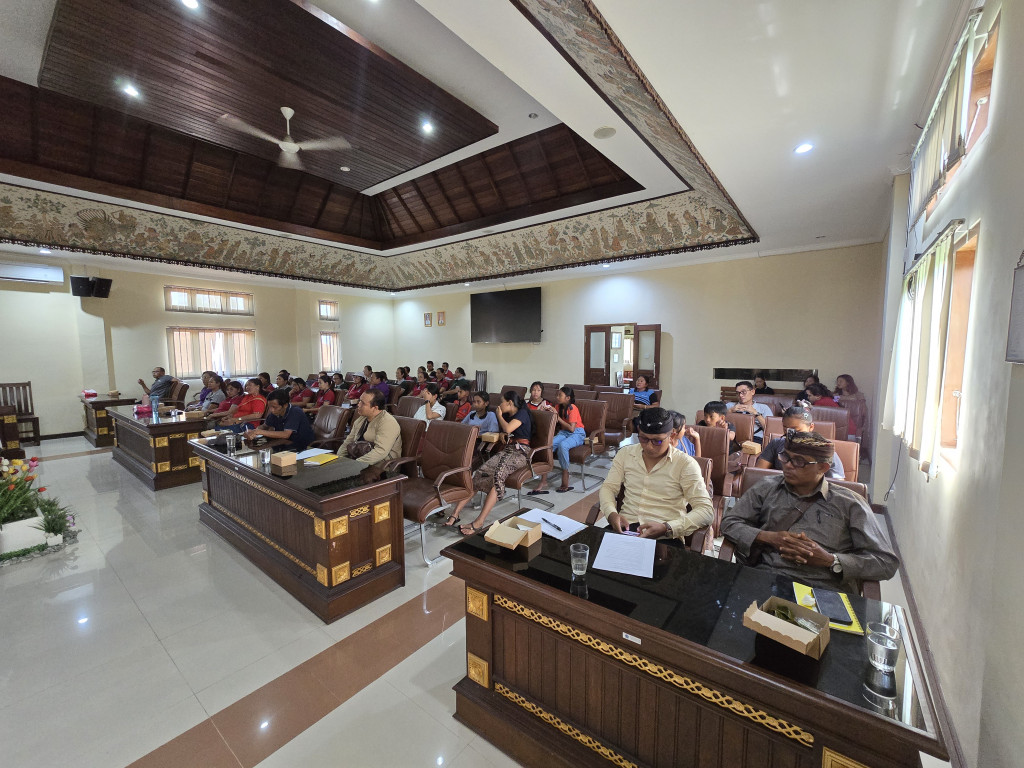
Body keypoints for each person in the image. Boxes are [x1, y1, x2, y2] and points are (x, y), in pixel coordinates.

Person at [721, 431, 898, 594]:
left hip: (824, 589)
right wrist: (769, 537)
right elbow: (729, 523)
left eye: (799, 461)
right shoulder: (767, 487)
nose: (788, 466)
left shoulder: (850, 503)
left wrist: (831, 560)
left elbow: (885, 563)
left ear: (822, 468)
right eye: (785, 457)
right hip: (767, 578)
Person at [600, 408, 714, 540]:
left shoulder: (685, 464)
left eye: (657, 441)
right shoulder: (626, 454)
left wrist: (668, 527)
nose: (649, 446)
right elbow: (608, 487)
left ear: (671, 436)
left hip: (665, 536)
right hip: (627, 528)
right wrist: (611, 513)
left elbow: (706, 511)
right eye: (643, 439)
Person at [450, 392, 533, 534]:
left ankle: (479, 522)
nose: (499, 405)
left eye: (502, 402)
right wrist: (502, 433)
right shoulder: (508, 415)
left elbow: (508, 428)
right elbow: (503, 431)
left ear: (510, 403)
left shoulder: (522, 413)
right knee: (479, 473)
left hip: (521, 453)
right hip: (507, 450)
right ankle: (455, 514)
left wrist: (500, 417)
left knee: (497, 477)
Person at [756, 406, 845, 479]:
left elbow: (839, 483)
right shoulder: (776, 444)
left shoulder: (823, 450)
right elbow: (758, 473)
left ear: (811, 427)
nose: (789, 433)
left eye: (796, 429)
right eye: (785, 428)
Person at [535, 386, 586, 493]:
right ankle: (543, 480)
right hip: (564, 432)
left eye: (560, 395)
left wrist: (557, 417)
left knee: (563, 446)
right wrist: (549, 413)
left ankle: (565, 473)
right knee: (549, 445)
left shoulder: (573, 408)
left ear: (567, 398)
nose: (557, 397)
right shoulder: (558, 406)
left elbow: (572, 429)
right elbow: (556, 422)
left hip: (577, 433)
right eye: (557, 395)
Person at [337, 389, 402, 464]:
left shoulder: (387, 422)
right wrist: (339, 459)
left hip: (382, 466)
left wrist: (354, 465)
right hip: (360, 460)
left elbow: (380, 452)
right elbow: (348, 442)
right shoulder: (361, 419)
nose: (358, 404)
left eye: (363, 403)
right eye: (359, 401)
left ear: (375, 408)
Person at [248, 389, 315, 452]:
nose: (271, 410)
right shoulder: (275, 412)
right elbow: (264, 426)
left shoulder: (295, 412)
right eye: (269, 407)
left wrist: (260, 432)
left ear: (285, 405)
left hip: (300, 446)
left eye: (274, 407)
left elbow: (286, 434)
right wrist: (253, 432)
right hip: (282, 443)